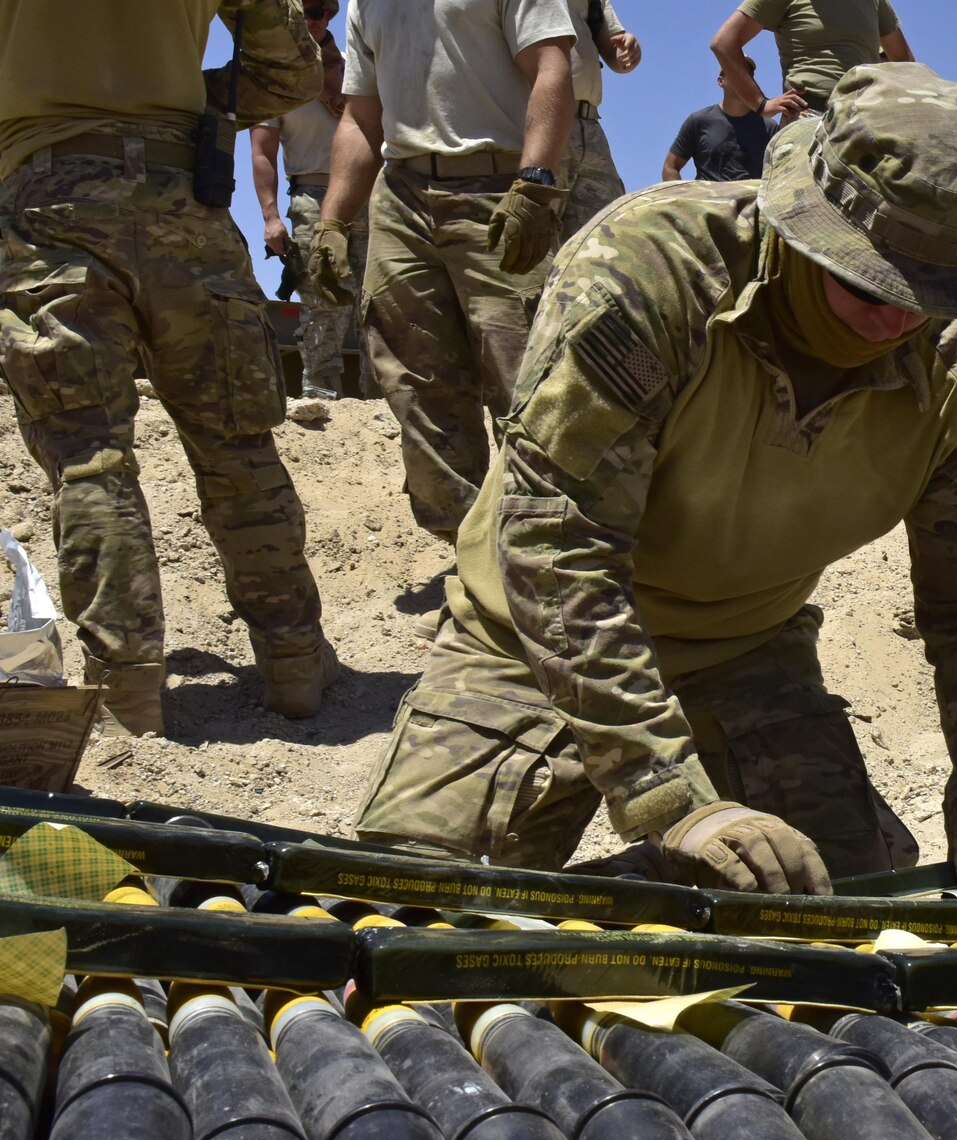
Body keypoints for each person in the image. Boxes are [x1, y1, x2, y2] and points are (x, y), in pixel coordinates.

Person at [352, 64, 957, 901]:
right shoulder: (652, 273)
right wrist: (674, 802)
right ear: (806, 221)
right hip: (532, 642)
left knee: (831, 918)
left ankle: (647, 886)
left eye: (928, 291)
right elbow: (556, 542)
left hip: (747, 651)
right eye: (870, 278)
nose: (898, 316)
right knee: (415, 913)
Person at [0, 0, 337, 735]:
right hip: (183, 194)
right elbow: (291, 67)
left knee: (91, 462)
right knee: (238, 444)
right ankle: (294, 667)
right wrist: (189, 94)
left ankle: (129, 697)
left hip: (48, 199)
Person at [305, 0, 576, 542]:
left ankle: (554, 558)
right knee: (417, 385)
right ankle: (470, 564)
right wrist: (332, 222)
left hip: (498, 189)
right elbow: (361, 117)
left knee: (529, 379)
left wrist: (535, 182)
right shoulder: (366, 4)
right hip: (401, 196)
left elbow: (552, 66)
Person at [251, 0, 371, 401]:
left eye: (322, 11)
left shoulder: (355, 65)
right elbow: (262, 152)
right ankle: (321, 392)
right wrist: (270, 218)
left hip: (369, 195)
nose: (314, 20)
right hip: (311, 197)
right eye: (306, 9)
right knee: (323, 296)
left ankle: (380, 398)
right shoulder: (276, 74)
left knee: (377, 300)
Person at [712, 0, 912, 121]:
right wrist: (761, 104)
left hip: (867, 117)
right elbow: (724, 42)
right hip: (811, 117)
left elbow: (905, 63)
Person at [561, 0, 641, 237]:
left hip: (589, 125)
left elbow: (615, 53)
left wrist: (629, 49)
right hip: (541, 121)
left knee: (610, 236)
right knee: (536, 233)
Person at [665, 62, 775, 181]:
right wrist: (683, 198)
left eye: (748, 74)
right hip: (708, 198)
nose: (742, 78)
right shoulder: (698, 122)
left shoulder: (769, 127)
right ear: (721, 81)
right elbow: (670, 168)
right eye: (734, 72)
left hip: (753, 198)